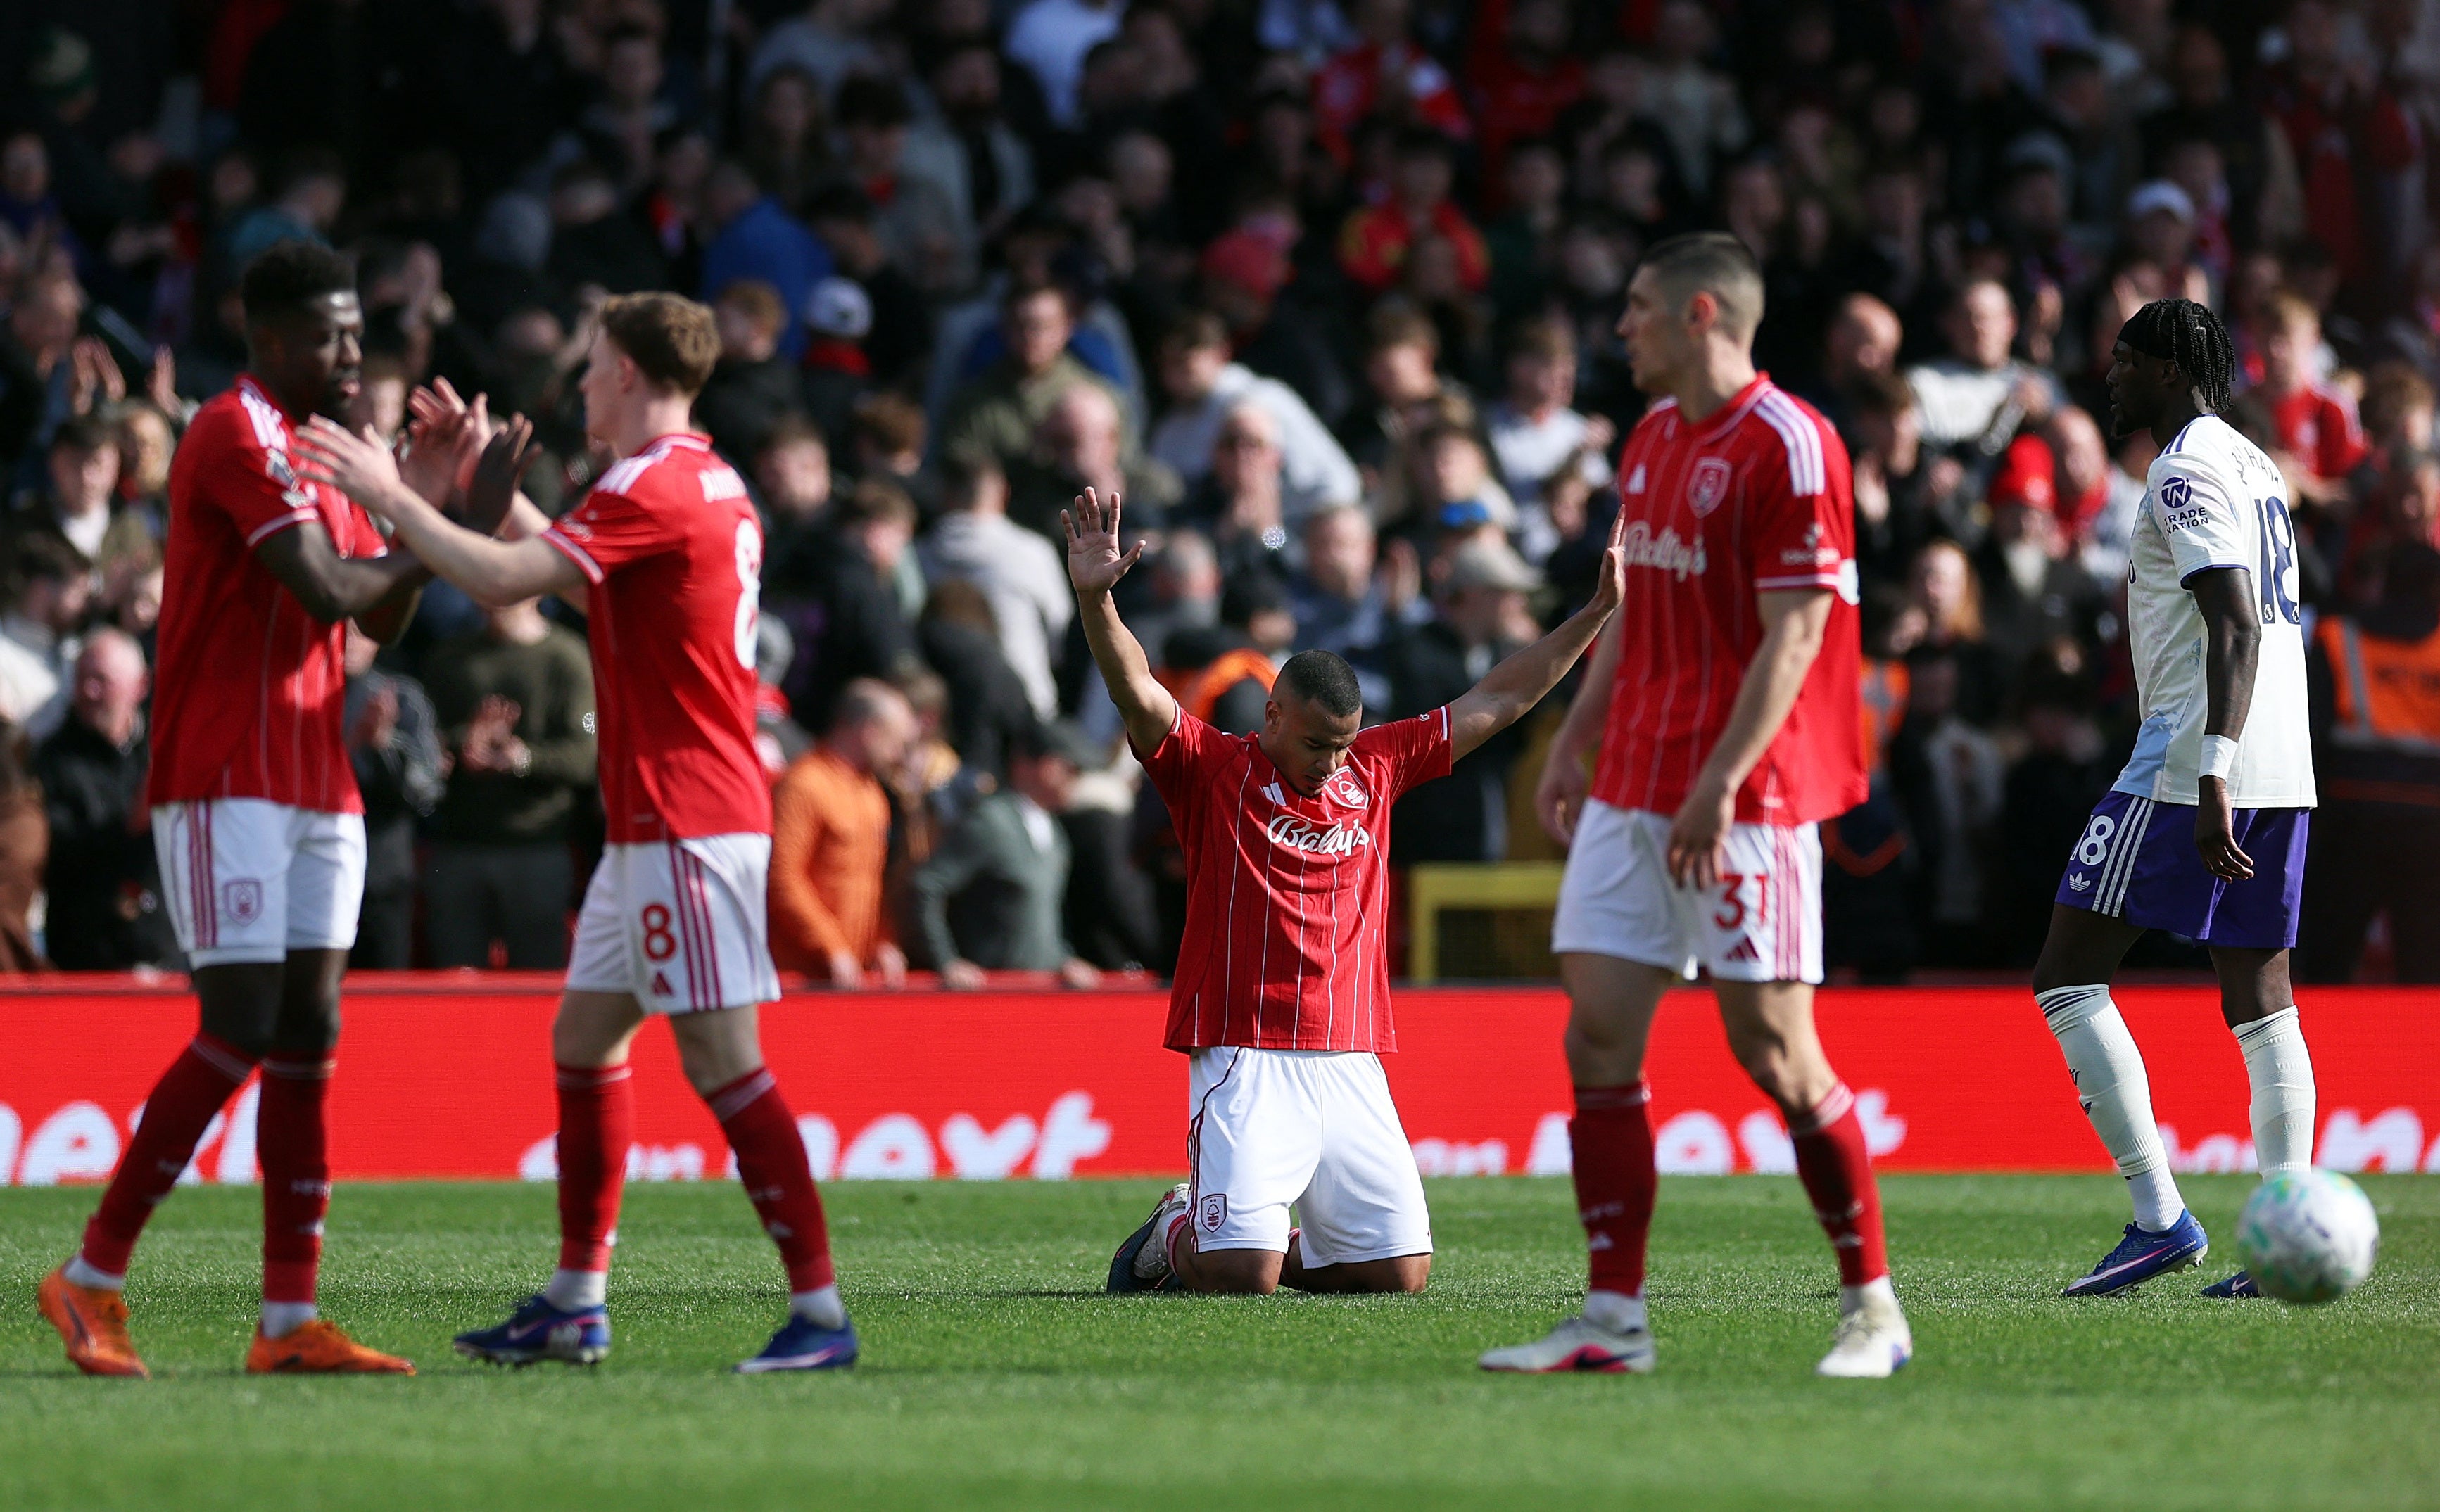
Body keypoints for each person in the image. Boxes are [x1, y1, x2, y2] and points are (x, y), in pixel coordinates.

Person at [296, 291, 857, 1373]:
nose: (582, 382)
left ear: (631, 374)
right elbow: (575, 567)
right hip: (660, 818)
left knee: (725, 1061)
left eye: (594, 363)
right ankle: (574, 1300)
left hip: (685, 818)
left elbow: (511, 578)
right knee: (584, 1038)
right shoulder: (704, 478)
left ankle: (820, 1313)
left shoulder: (649, 482)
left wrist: (388, 495)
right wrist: (479, 486)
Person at [1482, 234, 1907, 1380]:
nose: (1620, 328)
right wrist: (1575, 735)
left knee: (1773, 1049)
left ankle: (1871, 1309)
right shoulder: (1651, 437)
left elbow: (1796, 636)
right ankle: (1611, 1318)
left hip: (1746, 795)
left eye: (1636, 308)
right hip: (1632, 780)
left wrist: (1719, 783)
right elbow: (1638, 602)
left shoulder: (1791, 444)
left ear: (1700, 314)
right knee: (1596, 1033)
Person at [1073, 481, 1629, 1300]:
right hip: (1245, 1047)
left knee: (1396, 1271)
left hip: (1351, 1050)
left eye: (1341, 744)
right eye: (1315, 744)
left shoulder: (1376, 766)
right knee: (1239, 1276)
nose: (1330, 762)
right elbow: (1135, 689)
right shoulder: (1212, 770)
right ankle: (1180, 1226)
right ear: (1271, 715)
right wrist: (1096, 601)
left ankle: (1253, 1235)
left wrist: (1595, 614)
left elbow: (1500, 697)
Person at [37, 241, 434, 1378]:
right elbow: (330, 586)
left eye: (356, 329)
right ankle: (90, 1274)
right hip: (225, 771)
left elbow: (381, 621)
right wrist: (434, 522)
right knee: (242, 1021)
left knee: (309, 1033)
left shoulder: (330, 449)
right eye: (327, 333)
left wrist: (418, 516)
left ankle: (288, 1318)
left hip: (319, 778)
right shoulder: (234, 429)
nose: (350, 351)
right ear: (266, 338)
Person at [2028, 298, 2318, 1302]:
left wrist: (2210, 772)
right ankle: (2286, 1236)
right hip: (2284, 759)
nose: (2109, 377)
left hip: (2193, 760)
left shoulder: (2183, 466)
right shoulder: (2254, 462)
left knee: (2065, 972)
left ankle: (2158, 1219)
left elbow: (2232, 622)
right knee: (2260, 995)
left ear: (2165, 369)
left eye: (2123, 360)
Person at [420, 597, 598, 971]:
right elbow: (423, 737)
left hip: (537, 847)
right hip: (458, 846)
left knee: (537, 980)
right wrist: (464, 744)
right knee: (452, 981)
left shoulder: (570, 659)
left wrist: (523, 758)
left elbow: (587, 749)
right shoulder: (448, 660)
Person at [908, 719, 1103, 989]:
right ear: (1032, 765)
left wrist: (1063, 959)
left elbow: (1041, 917)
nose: (1077, 779)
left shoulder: (1053, 831)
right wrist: (946, 961)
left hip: (1039, 995)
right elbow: (926, 885)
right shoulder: (991, 822)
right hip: (990, 995)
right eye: (1070, 768)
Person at [34, 629, 179, 969]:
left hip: (167, 954)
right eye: (82, 680)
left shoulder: (163, 748)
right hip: (87, 959)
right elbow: (61, 855)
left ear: (141, 685)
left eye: (102, 680)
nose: (89, 691)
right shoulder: (53, 761)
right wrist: (130, 825)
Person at [768, 678, 915, 987]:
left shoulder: (872, 794)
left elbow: (872, 882)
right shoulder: (805, 785)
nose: (898, 755)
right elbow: (783, 877)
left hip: (848, 975)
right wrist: (831, 947)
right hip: (800, 977)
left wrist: (881, 941)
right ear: (869, 731)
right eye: (895, 742)